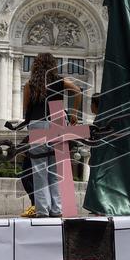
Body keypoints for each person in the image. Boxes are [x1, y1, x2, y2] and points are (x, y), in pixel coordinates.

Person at [23, 53, 82, 217]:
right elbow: (77, 91)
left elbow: (25, 110)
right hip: (56, 122)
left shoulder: (30, 85)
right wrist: (74, 113)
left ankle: (42, 210)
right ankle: (57, 209)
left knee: (39, 170)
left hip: (37, 124)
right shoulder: (60, 81)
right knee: (55, 172)